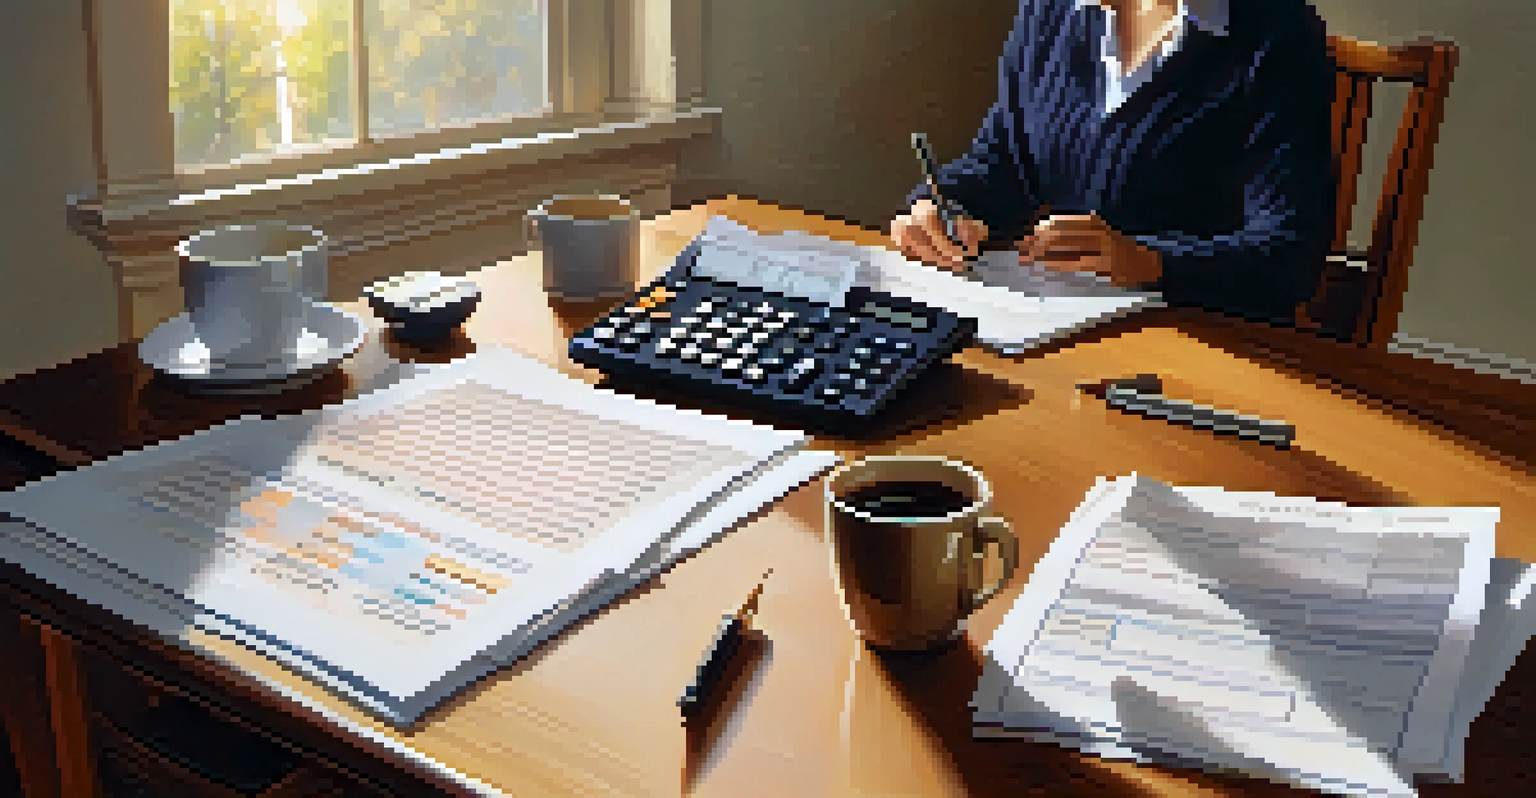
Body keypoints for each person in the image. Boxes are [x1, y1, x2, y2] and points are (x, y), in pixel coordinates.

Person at [890, 0, 1336, 324]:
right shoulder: (1051, 11)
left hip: (1207, 350)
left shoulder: (1277, 36)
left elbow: (1290, 258)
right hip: (1064, 329)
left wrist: (1150, 262)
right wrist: (941, 211)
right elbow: (1003, 164)